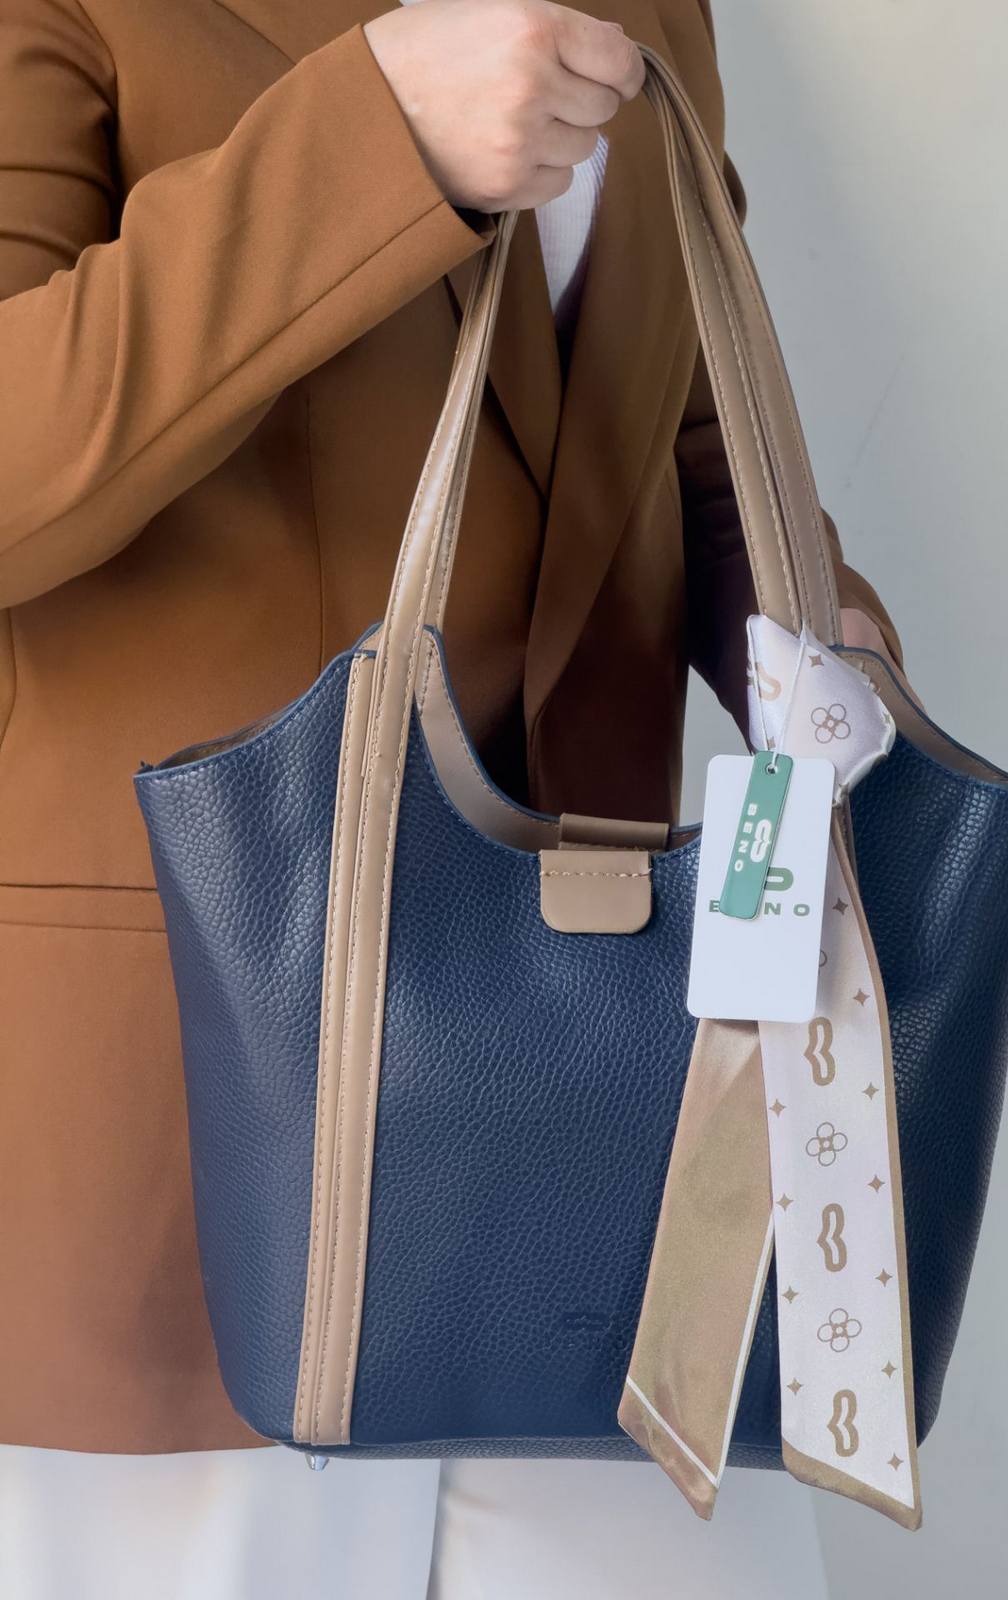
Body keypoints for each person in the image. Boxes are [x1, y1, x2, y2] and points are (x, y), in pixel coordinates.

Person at [0, 0, 901, 1588]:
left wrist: (819, 633)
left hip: (604, 1081)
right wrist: (372, 137)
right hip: (200, 1116)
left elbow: (684, 409)